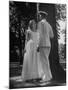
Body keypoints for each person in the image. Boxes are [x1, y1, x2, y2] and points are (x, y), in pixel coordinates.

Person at [37, 11, 54, 82]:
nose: (39, 17)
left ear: (41, 16)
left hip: (42, 44)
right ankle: (49, 76)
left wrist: (38, 45)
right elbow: (52, 36)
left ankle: (46, 77)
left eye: (39, 15)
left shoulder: (40, 23)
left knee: (44, 61)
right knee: (46, 61)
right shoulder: (48, 24)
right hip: (48, 45)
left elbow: (39, 35)